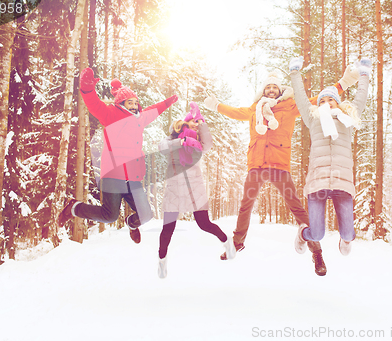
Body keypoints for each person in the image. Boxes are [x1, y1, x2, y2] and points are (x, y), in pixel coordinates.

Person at [203, 67, 359, 276]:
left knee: (297, 208)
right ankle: (237, 243)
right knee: (245, 206)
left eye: (274, 87)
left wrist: (343, 83)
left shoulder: (290, 106)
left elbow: (317, 100)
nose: (271, 90)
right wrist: (217, 106)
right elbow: (234, 112)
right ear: (263, 91)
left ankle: (316, 252)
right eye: (268, 87)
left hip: (279, 166)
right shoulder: (253, 109)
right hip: (256, 166)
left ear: (280, 90)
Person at [58, 67, 178, 244]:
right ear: (121, 102)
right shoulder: (111, 115)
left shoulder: (140, 119)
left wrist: (168, 102)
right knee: (109, 216)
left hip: (133, 177)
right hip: (113, 175)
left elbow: (155, 109)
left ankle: (131, 223)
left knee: (146, 215)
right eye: (130, 102)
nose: (134, 105)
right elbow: (94, 105)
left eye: (135, 102)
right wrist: (87, 88)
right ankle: (73, 207)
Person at [289, 56, 371, 256]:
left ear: (338, 102)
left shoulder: (347, 118)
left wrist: (364, 74)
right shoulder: (313, 119)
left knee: (348, 232)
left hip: (342, 182)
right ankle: (303, 234)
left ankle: (346, 239)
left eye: (330, 100)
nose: (326, 103)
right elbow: (300, 98)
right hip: (318, 181)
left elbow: (361, 97)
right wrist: (295, 72)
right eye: (322, 101)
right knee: (316, 234)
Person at [157, 102, 235, 278]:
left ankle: (227, 242)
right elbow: (161, 147)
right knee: (168, 228)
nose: (195, 123)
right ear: (184, 122)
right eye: (192, 120)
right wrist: (182, 140)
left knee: (204, 223)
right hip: (174, 188)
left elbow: (208, 144)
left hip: (194, 187)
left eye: (198, 122)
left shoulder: (199, 143)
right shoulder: (172, 139)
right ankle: (162, 260)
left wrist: (202, 123)